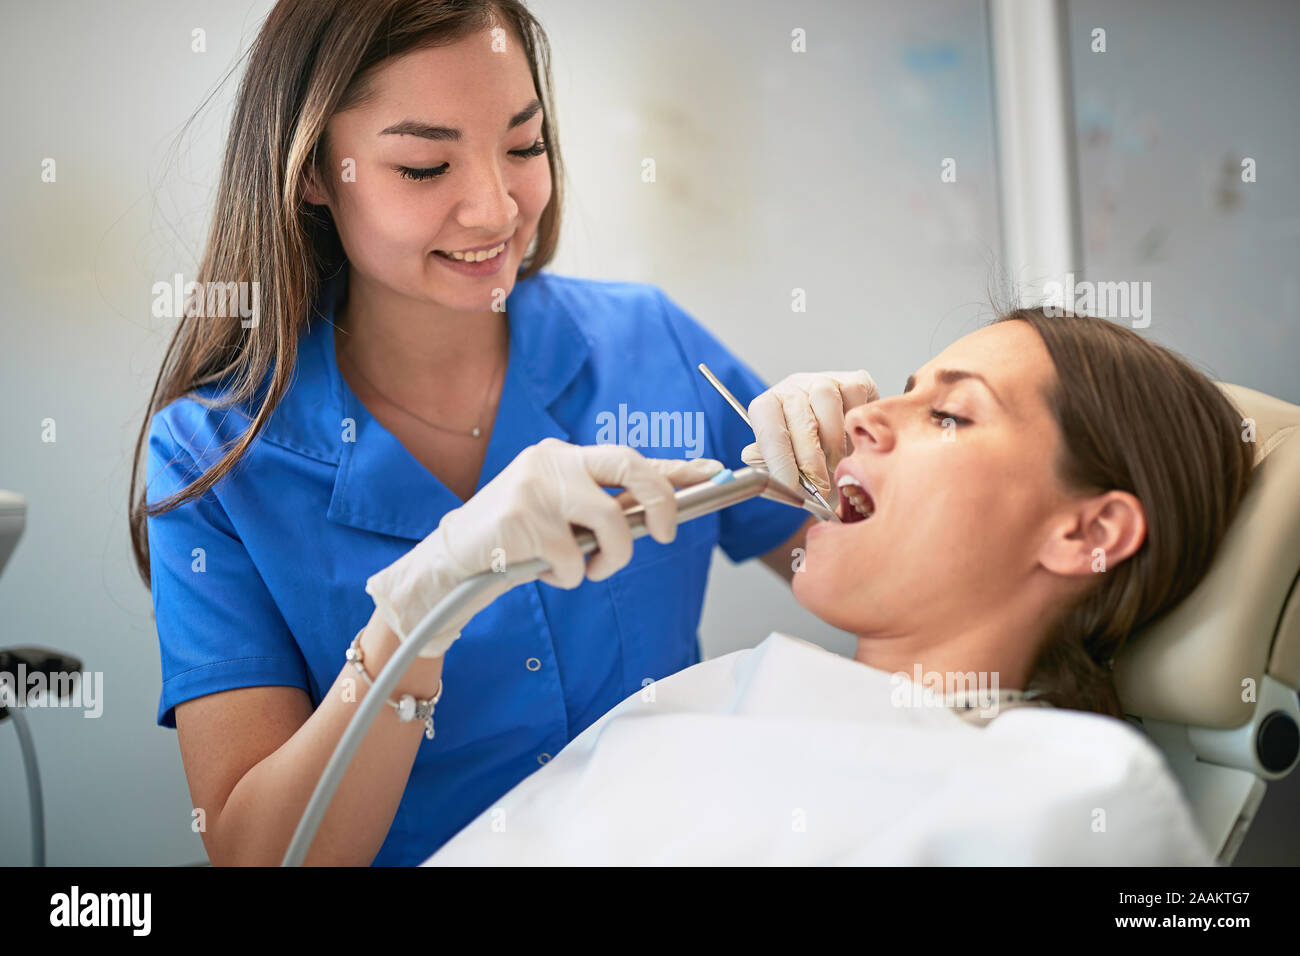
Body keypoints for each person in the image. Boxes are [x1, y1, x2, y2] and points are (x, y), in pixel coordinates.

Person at [128, 0, 873, 866]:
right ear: (311, 171)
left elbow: (865, 570)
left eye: (524, 146)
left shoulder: (649, 344)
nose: (494, 209)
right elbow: (258, 855)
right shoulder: (212, 459)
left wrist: (870, 458)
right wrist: (412, 623)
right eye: (423, 166)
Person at [423, 308, 1256, 865]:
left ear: (1088, 534)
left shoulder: (1075, 793)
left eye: (951, 416)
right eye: (907, 390)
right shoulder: (714, 697)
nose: (861, 416)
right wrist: (418, 610)